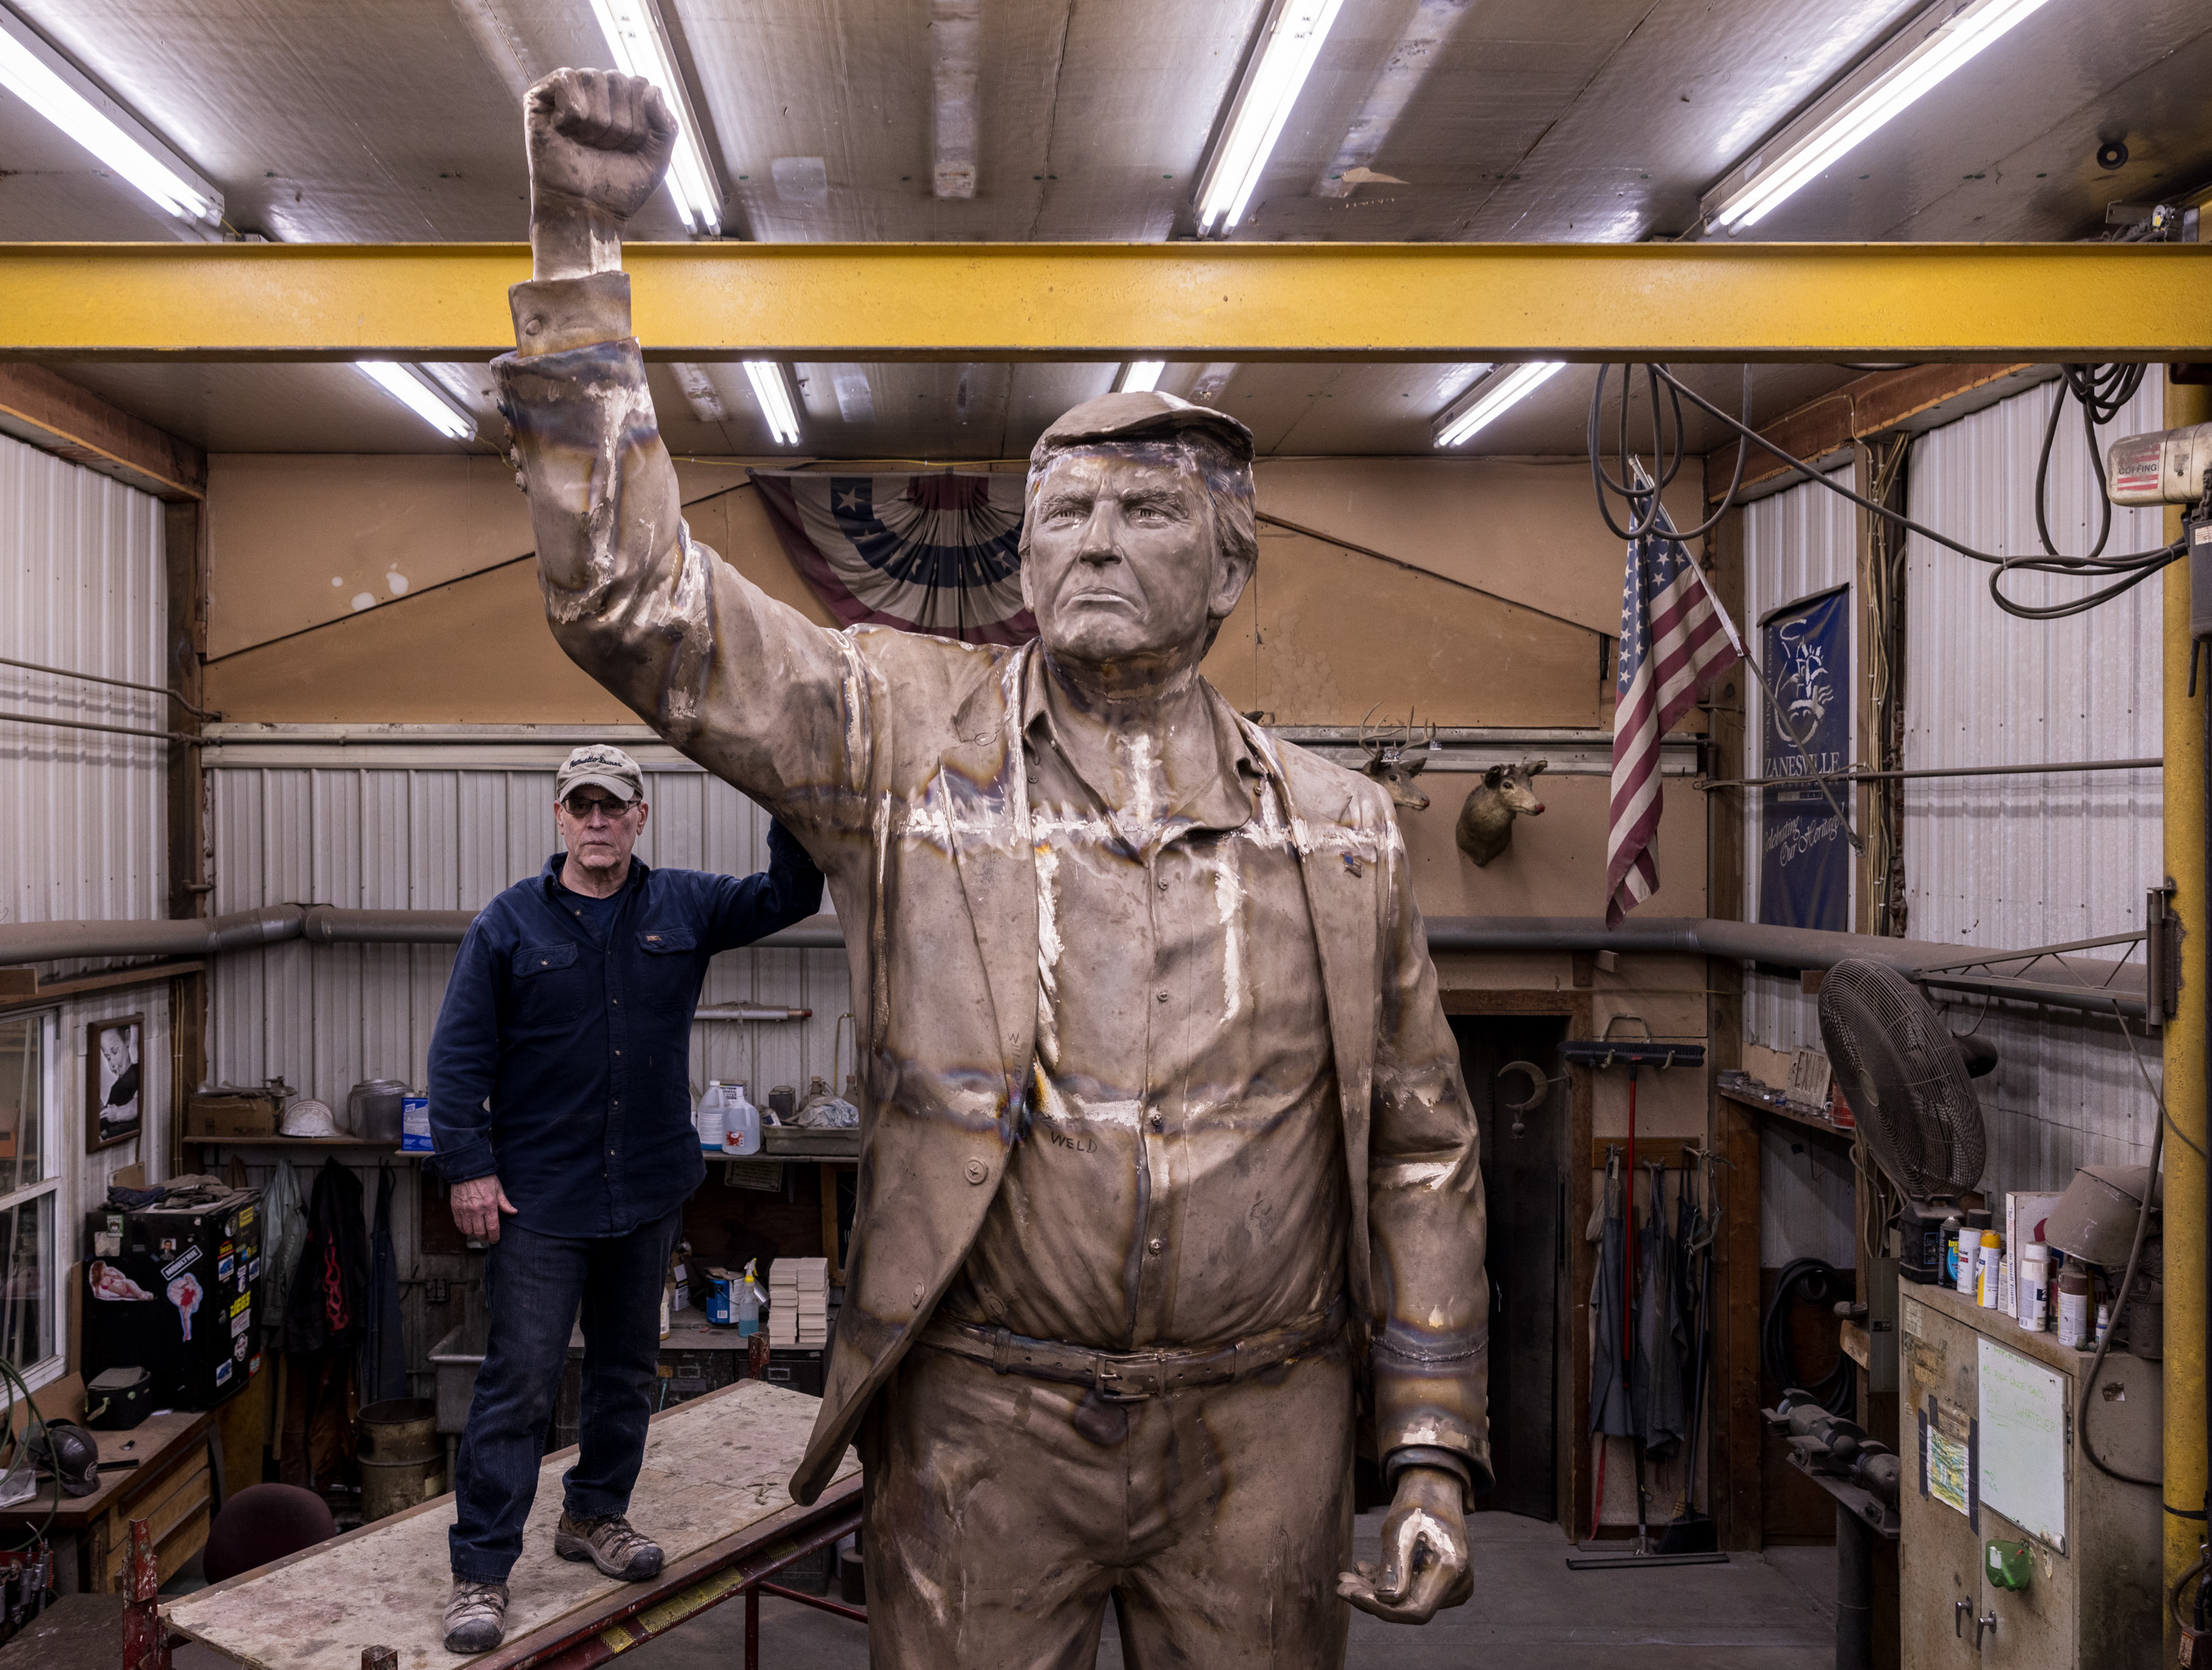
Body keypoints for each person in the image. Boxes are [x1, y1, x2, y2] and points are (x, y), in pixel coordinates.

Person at [496, 72, 1490, 1669]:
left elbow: (1424, 1148)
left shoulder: (1343, 830)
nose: (1093, 539)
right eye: (1063, 511)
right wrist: (579, 238)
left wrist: (1430, 1436)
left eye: (1148, 509)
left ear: (1232, 563)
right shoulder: (901, 741)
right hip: (982, 1426)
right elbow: (633, 601)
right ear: (1021, 558)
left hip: (1265, 1434)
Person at [428, 743, 822, 1653]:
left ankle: (593, 1515)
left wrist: (782, 791)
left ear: (640, 816)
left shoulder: (683, 904)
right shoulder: (509, 924)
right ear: (560, 818)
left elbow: (790, 897)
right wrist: (468, 1166)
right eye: (583, 806)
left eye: (615, 806)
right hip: (541, 1200)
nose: (598, 820)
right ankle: (480, 1567)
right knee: (519, 1383)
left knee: (622, 1373)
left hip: (645, 1189)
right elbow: (457, 1058)